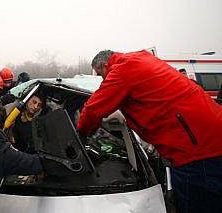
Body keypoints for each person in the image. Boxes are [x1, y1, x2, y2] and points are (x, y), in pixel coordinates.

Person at [77, 49, 222, 213]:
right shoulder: (139, 60)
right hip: (208, 138)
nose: (103, 79)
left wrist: (80, 135)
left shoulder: (123, 69)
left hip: (198, 150)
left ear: (105, 65)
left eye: (100, 74)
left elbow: (93, 109)